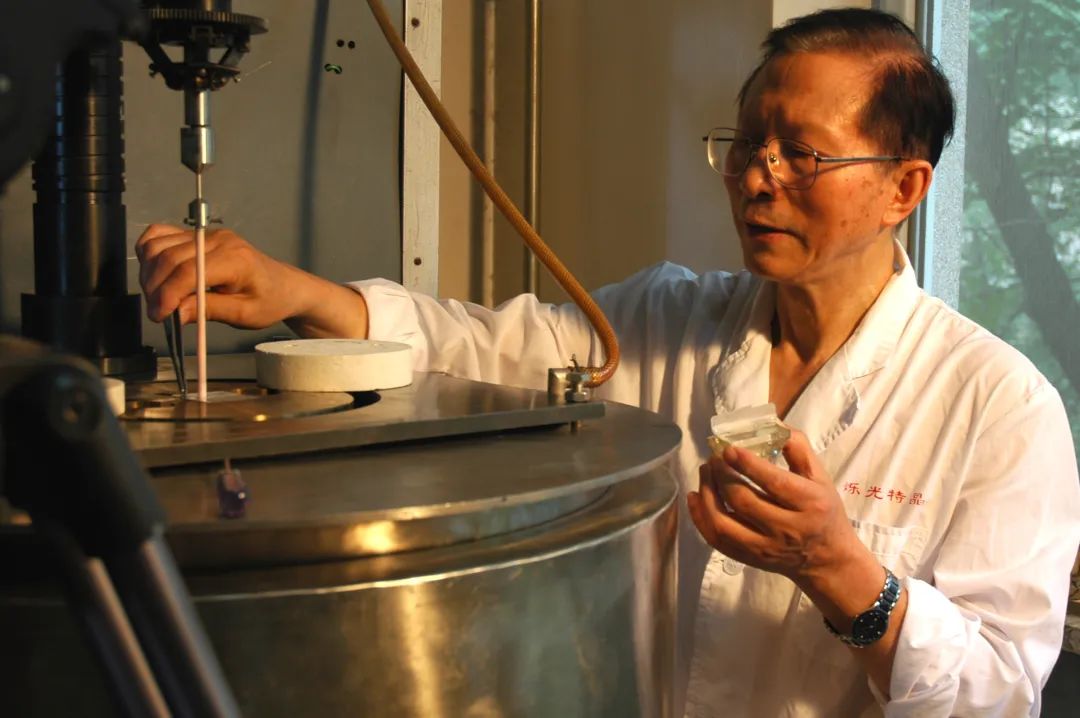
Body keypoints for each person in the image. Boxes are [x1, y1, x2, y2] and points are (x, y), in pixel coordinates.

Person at [136, 8, 1080, 716]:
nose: (757, 178)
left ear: (904, 188)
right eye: (747, 143)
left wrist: (841, 570)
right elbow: (478, 347)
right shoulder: (666, 318)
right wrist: (292, 291)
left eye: (803, 155)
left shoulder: (998, 406)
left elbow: (999, 694)